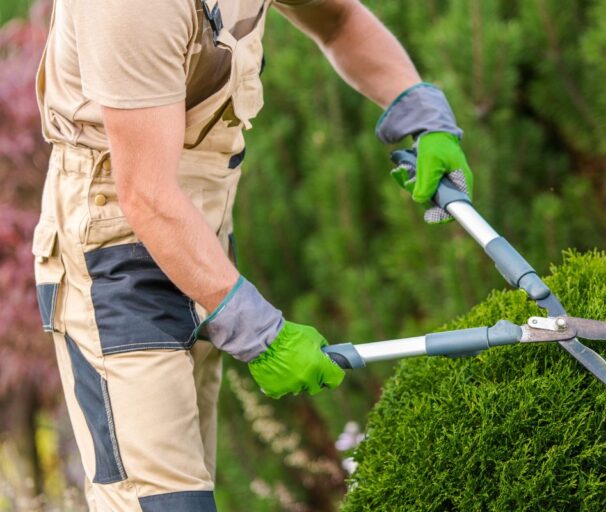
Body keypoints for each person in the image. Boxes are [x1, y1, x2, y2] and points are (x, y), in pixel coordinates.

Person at [31, 0, 472, 509]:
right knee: (161, 503)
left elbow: (339, 19)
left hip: (200, 236)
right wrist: (260, 332)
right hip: (116, 253)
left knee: (191, 491)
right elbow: (147, 195)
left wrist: (420, 110)